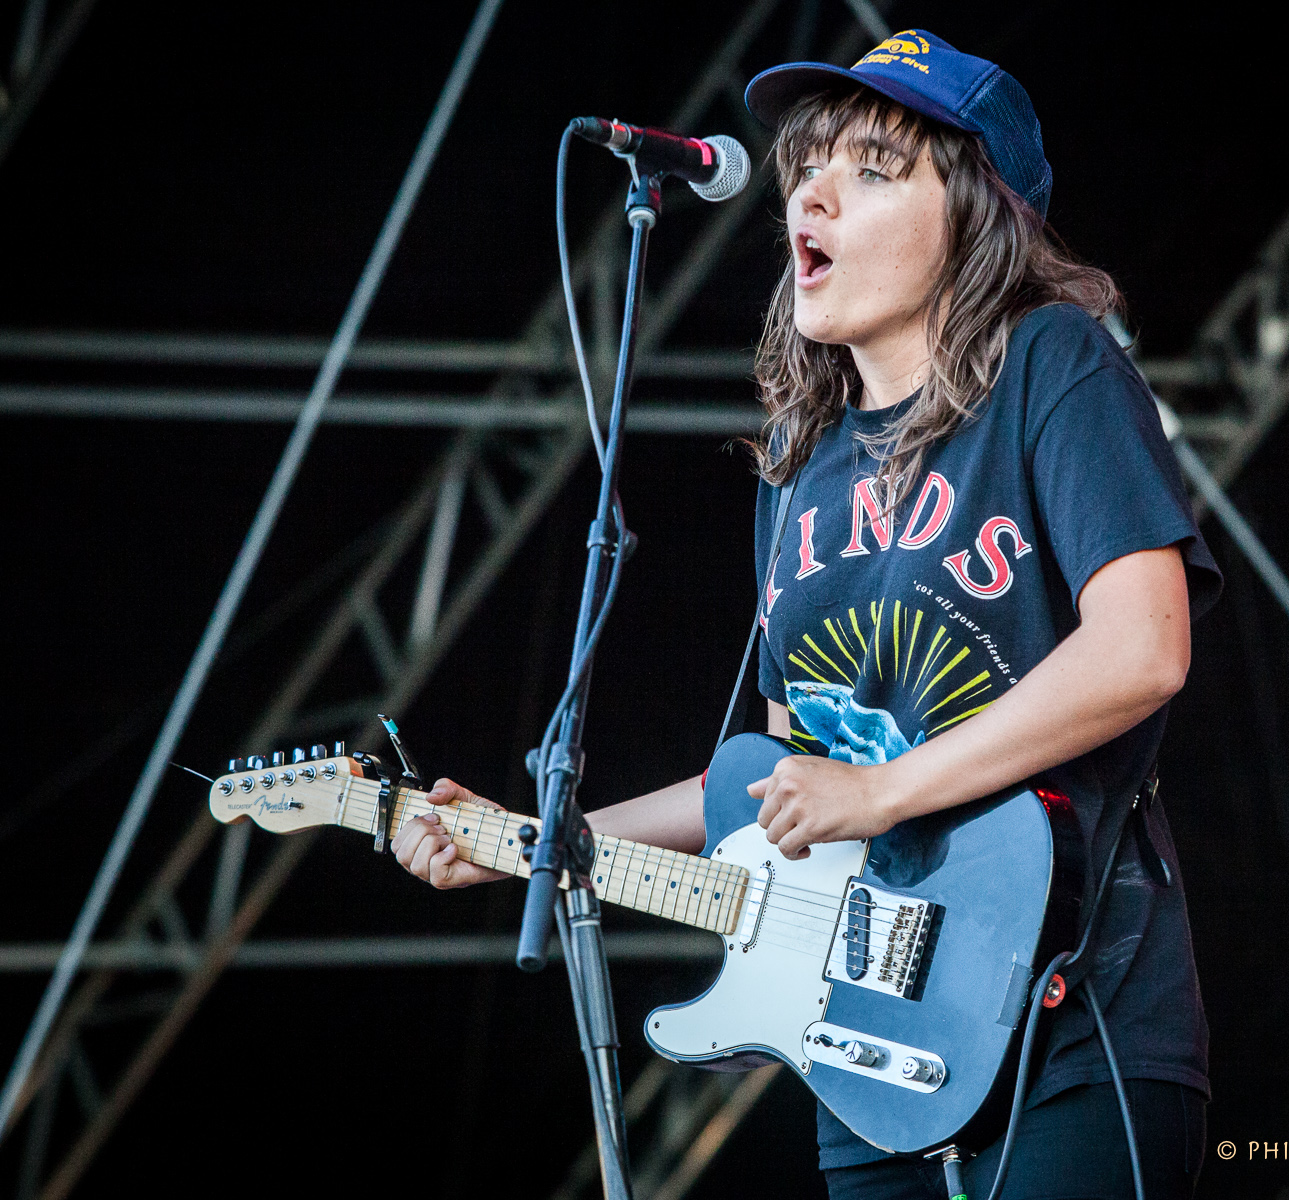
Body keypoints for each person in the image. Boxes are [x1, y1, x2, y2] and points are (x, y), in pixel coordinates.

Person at [394, 29, 1221, 1200]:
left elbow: (1144, 648)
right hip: (869, 1057)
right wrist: (526, 844)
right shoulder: (800, 473)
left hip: (1072, 1020)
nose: (812, 195)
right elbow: (777, 780)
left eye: (873, 169)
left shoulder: (1056, 365)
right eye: (806, 167)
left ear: (980, 216)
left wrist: (880, 790)